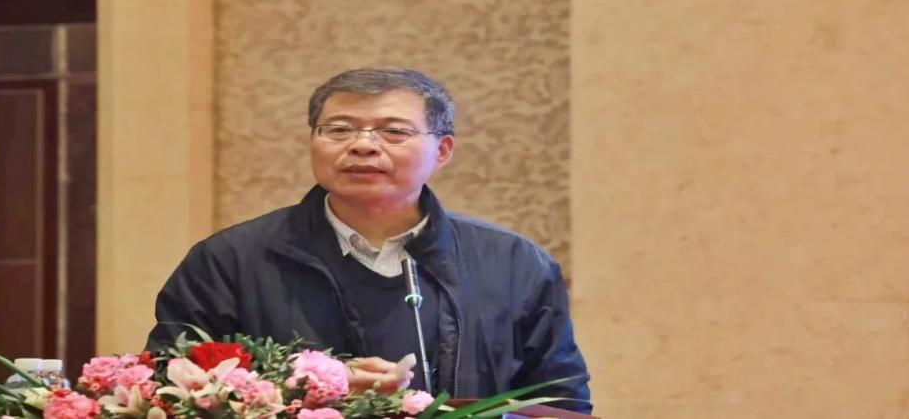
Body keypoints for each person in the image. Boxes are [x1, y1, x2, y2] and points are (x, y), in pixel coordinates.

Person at [146, 68, 591, 412]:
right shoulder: (229, 261)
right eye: (339, 129)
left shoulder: (513, 263)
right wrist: (305, 390)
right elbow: (169, 391)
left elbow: (560, 402)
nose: (363, 145)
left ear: (442, 151)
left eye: (394, 131)